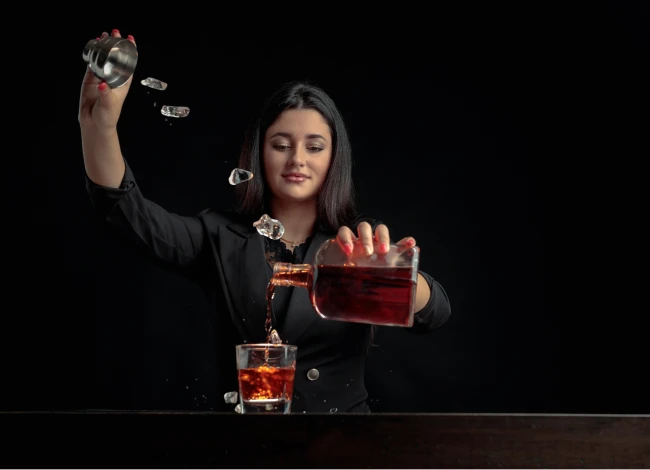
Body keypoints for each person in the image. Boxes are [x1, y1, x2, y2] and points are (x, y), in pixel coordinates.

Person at [79, 29, 452, 413]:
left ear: (333, 159)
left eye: (314, 147)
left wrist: (397, 275)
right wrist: (98, 127)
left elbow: (435, 313)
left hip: (344, 448)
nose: (297, 160)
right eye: (281, 145)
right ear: (259, 153)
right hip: (246, 450)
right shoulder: (217, 237)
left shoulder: (352, 245)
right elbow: (127, 213)